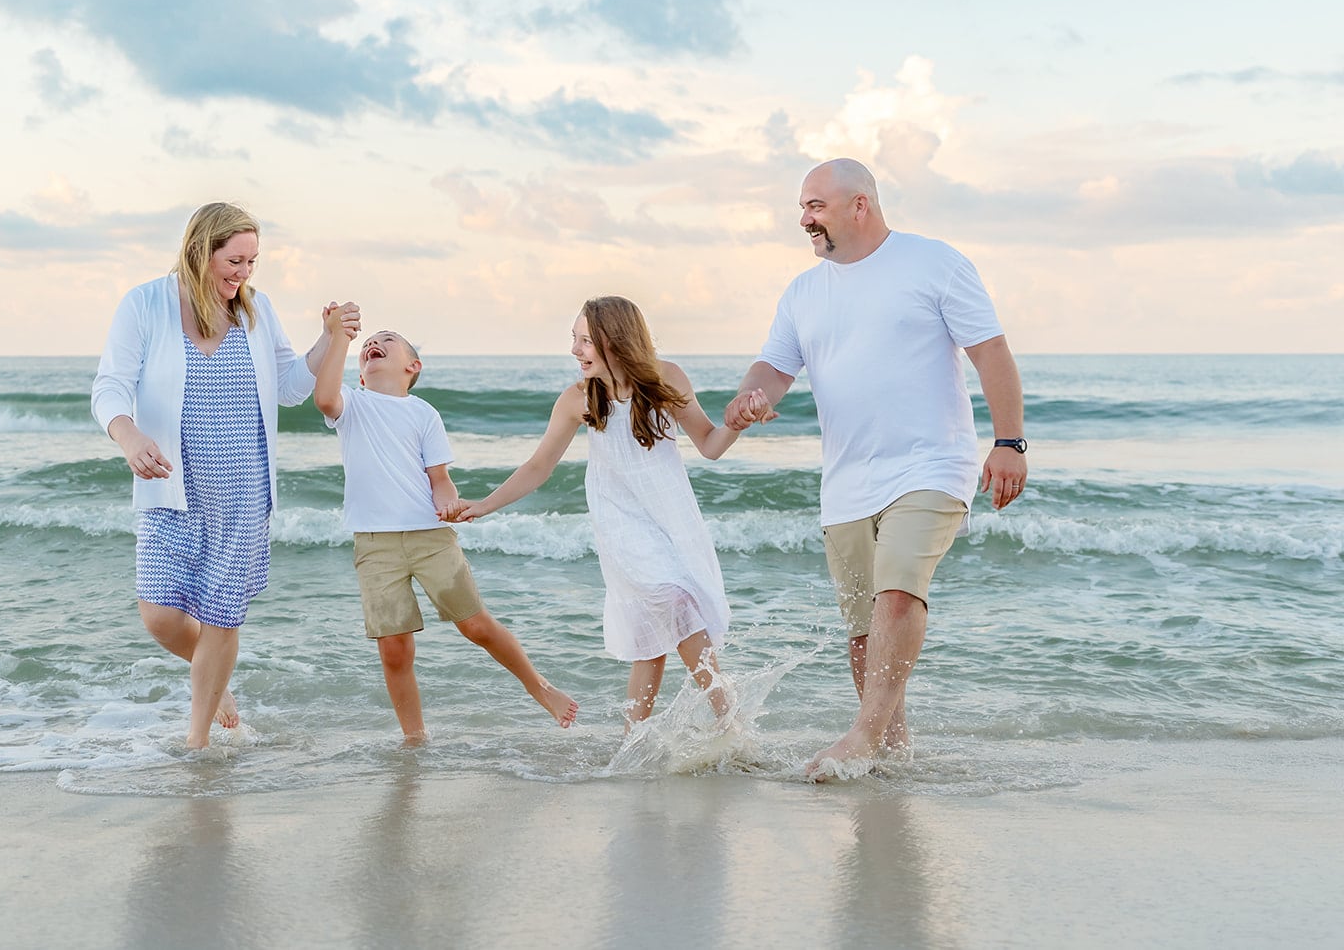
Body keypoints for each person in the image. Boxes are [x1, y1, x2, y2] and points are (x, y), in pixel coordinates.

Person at [722, 158, 1027, 780]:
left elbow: (990, 350)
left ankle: (862, 734)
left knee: (898, 591)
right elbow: (774, 367)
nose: (805, 220)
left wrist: (1009, 442)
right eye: (802, 208)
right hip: (846, 480)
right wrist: (751, 397)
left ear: (859, 204)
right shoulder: (803, 292)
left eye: (815, 206)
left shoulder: (933, 262)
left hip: (930, 464)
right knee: (864, 628)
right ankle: (891, 752)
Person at [91, 202, 359, 750]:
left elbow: (290, 387)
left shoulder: (256, 310)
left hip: (243, 492)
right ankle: (213, 677)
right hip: (172, 487)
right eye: (234, 261)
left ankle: (198, 742)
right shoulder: (145, 304)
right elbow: (110, 386)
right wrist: (129, 436)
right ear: (200, 250)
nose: (243, 273)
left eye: (252, 262)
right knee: (159, 614)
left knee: (221, 616)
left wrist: (329, 338)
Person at [450, 296, 766, 727]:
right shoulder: (578, 399)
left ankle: (632, 740)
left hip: (671, 518)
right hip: (620, 524)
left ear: (615, 340)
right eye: (574, 339)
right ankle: (730, 720)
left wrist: (736, 424)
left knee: (650, 639)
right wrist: (485, 505)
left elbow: (710, 445)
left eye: (585, 340)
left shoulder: (666, 378)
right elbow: (539, 466)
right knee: (675, 603)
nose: (575, 350)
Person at [313, 314, 579, 742]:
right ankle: (414, 737)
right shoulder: (352, 405)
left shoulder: (424, 414)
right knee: (394, 649)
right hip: (375, 546)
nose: (373, 343)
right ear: (360, 375)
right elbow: (324, 397)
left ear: (412, 366)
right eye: (368, 345)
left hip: (430, 538)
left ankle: (539, 687)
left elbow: (439, 479)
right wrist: (339, 337)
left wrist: (448, 504)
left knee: (475, 626)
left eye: (387, 340)